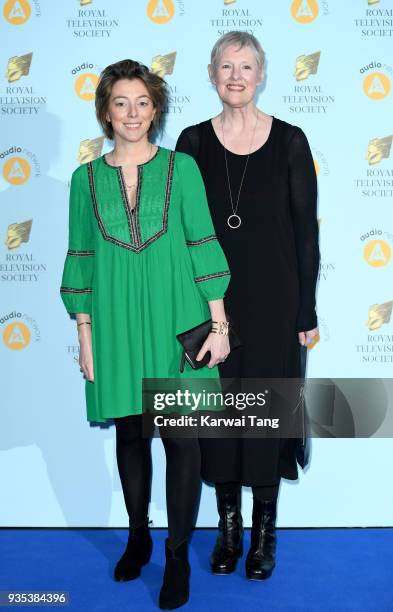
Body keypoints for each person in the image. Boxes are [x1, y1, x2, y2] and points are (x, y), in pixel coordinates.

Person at [60, 59, 231, 610]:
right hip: (112, 324)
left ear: (155, 109)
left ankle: (177, 556)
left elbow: (203, 243)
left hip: (178, 320)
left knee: (182, 441)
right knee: (131, 436)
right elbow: (81, 258)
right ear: (105, 112)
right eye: (120, 103)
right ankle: (138, 537)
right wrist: (85, 335)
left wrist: (220, 324)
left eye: (142, 102)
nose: (132, 114)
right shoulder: (84, 180)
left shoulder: (182, 169)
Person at [176, 31, 319, 580]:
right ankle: (228, 531)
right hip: (210, 307)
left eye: (247, 66)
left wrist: (305, 313)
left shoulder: (290, 141)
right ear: (211, 74)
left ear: (262, 76)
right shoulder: (190, 143)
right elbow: (179, 235)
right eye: (226, 66)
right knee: (217, 420)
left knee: (266, 417)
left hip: (275, 306)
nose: (236, 76)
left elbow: (306, 234)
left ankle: (264, 535)